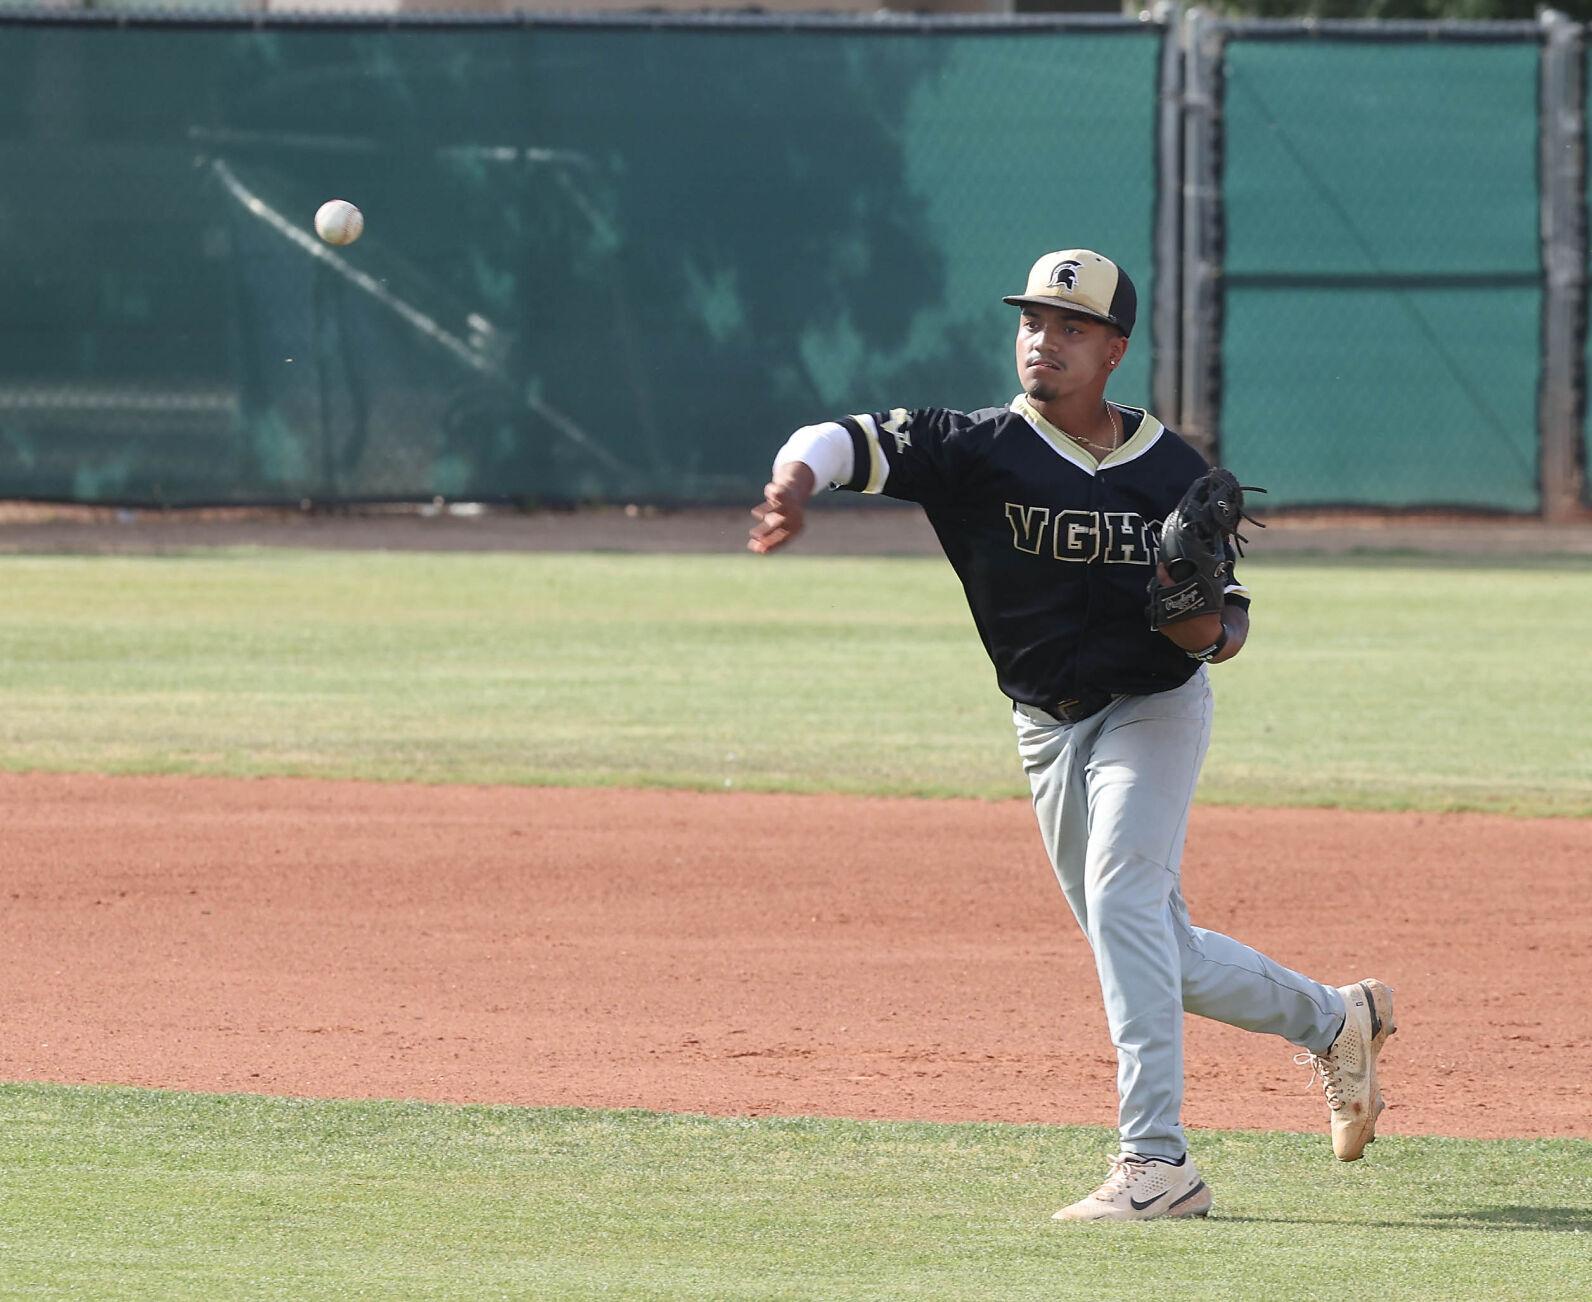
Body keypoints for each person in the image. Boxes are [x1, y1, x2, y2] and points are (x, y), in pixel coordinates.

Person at [747, 248, 1396, 1223]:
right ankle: (1333, 1020)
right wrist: (795, 482)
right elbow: (834, 436)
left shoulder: (1173, 472)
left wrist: (1206, 627)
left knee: (1122, 903)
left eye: (1070, 327)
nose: (1042, 341)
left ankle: (1156, 1167)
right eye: (1031, 322)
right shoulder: (970, 448)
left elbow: (1224, 624)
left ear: (1113, 350)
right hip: (1045, 726)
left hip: (1153, 708)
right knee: (1145, 947)